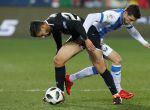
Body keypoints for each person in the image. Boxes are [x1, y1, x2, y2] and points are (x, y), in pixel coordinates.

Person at [29, 12, 122, 104]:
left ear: (43, 26)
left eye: (41, 34)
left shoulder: (57, 22)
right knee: (58, 60)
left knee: (100, 67)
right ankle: (60, 93)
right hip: (77, 36)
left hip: (89, 33)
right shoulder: (51, 24)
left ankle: (116, 95)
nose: (43, 37)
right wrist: (59, 49)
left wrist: (86, 39)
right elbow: (56, 33)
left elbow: (76, 24)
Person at [65, 4, 150, 99]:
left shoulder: (124, 18)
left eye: (133, 21)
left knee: (100, 68)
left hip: (97, 38)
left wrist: (144, 43)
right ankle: (118, 91)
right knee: (116, 60)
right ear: (125, 13)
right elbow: (91, 16)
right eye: (130, 19)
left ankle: (70, 78)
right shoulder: (113, 16)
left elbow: (132, 30)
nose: (131, 22)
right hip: (92, 35)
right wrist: (84, 36)